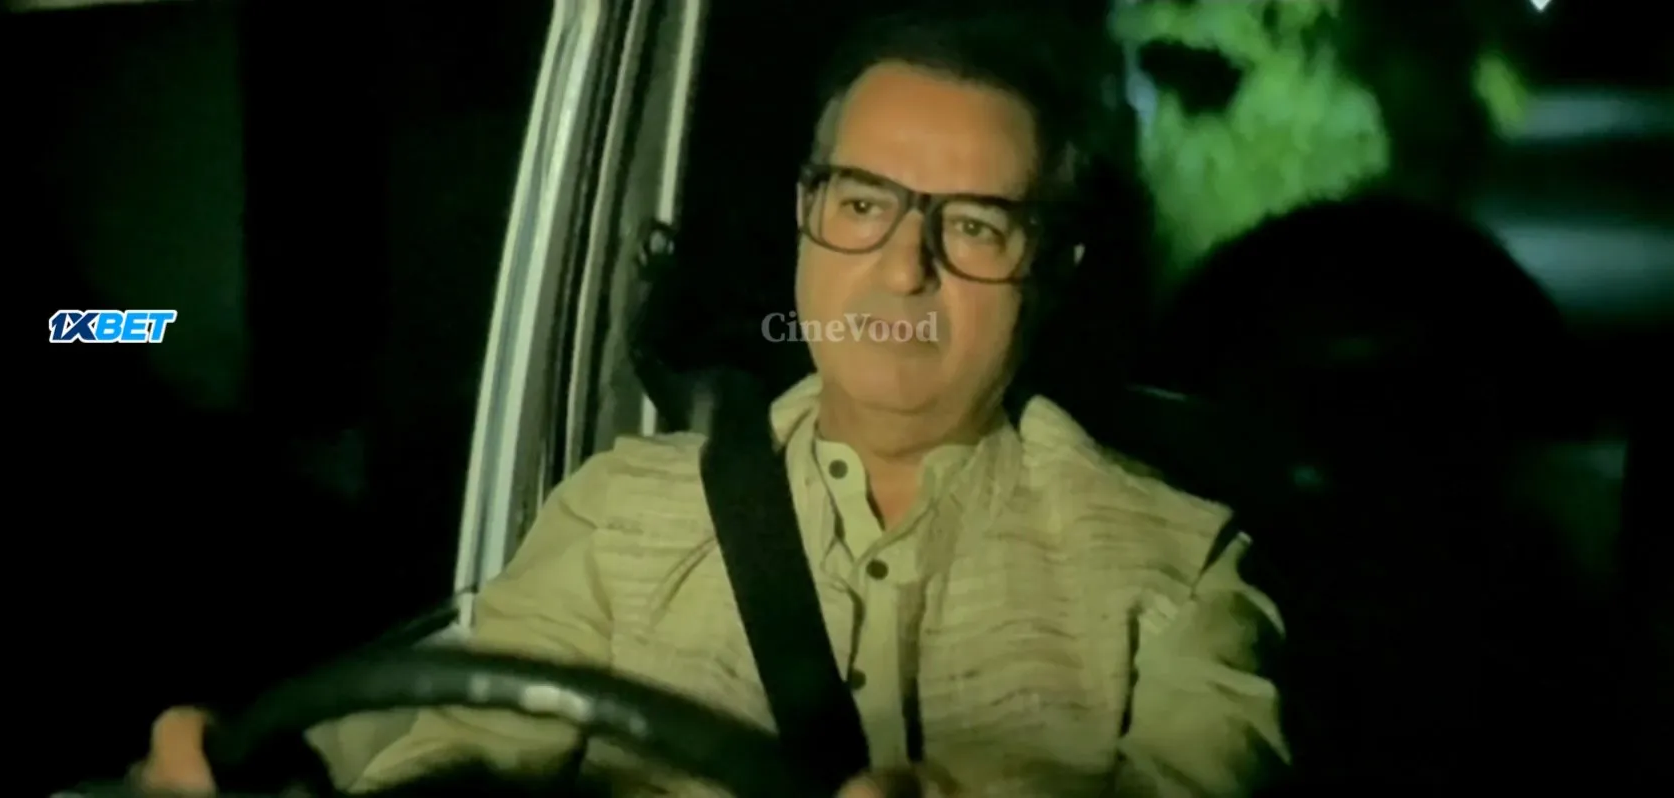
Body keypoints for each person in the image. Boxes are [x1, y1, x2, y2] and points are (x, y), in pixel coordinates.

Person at [138, 9, 1286, 797]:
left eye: (975, 226)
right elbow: (462, 760)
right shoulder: (621, 512)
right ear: (806, 217)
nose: (904, 269)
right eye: (863, 205)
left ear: (1051, 272)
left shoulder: (1176, 567)